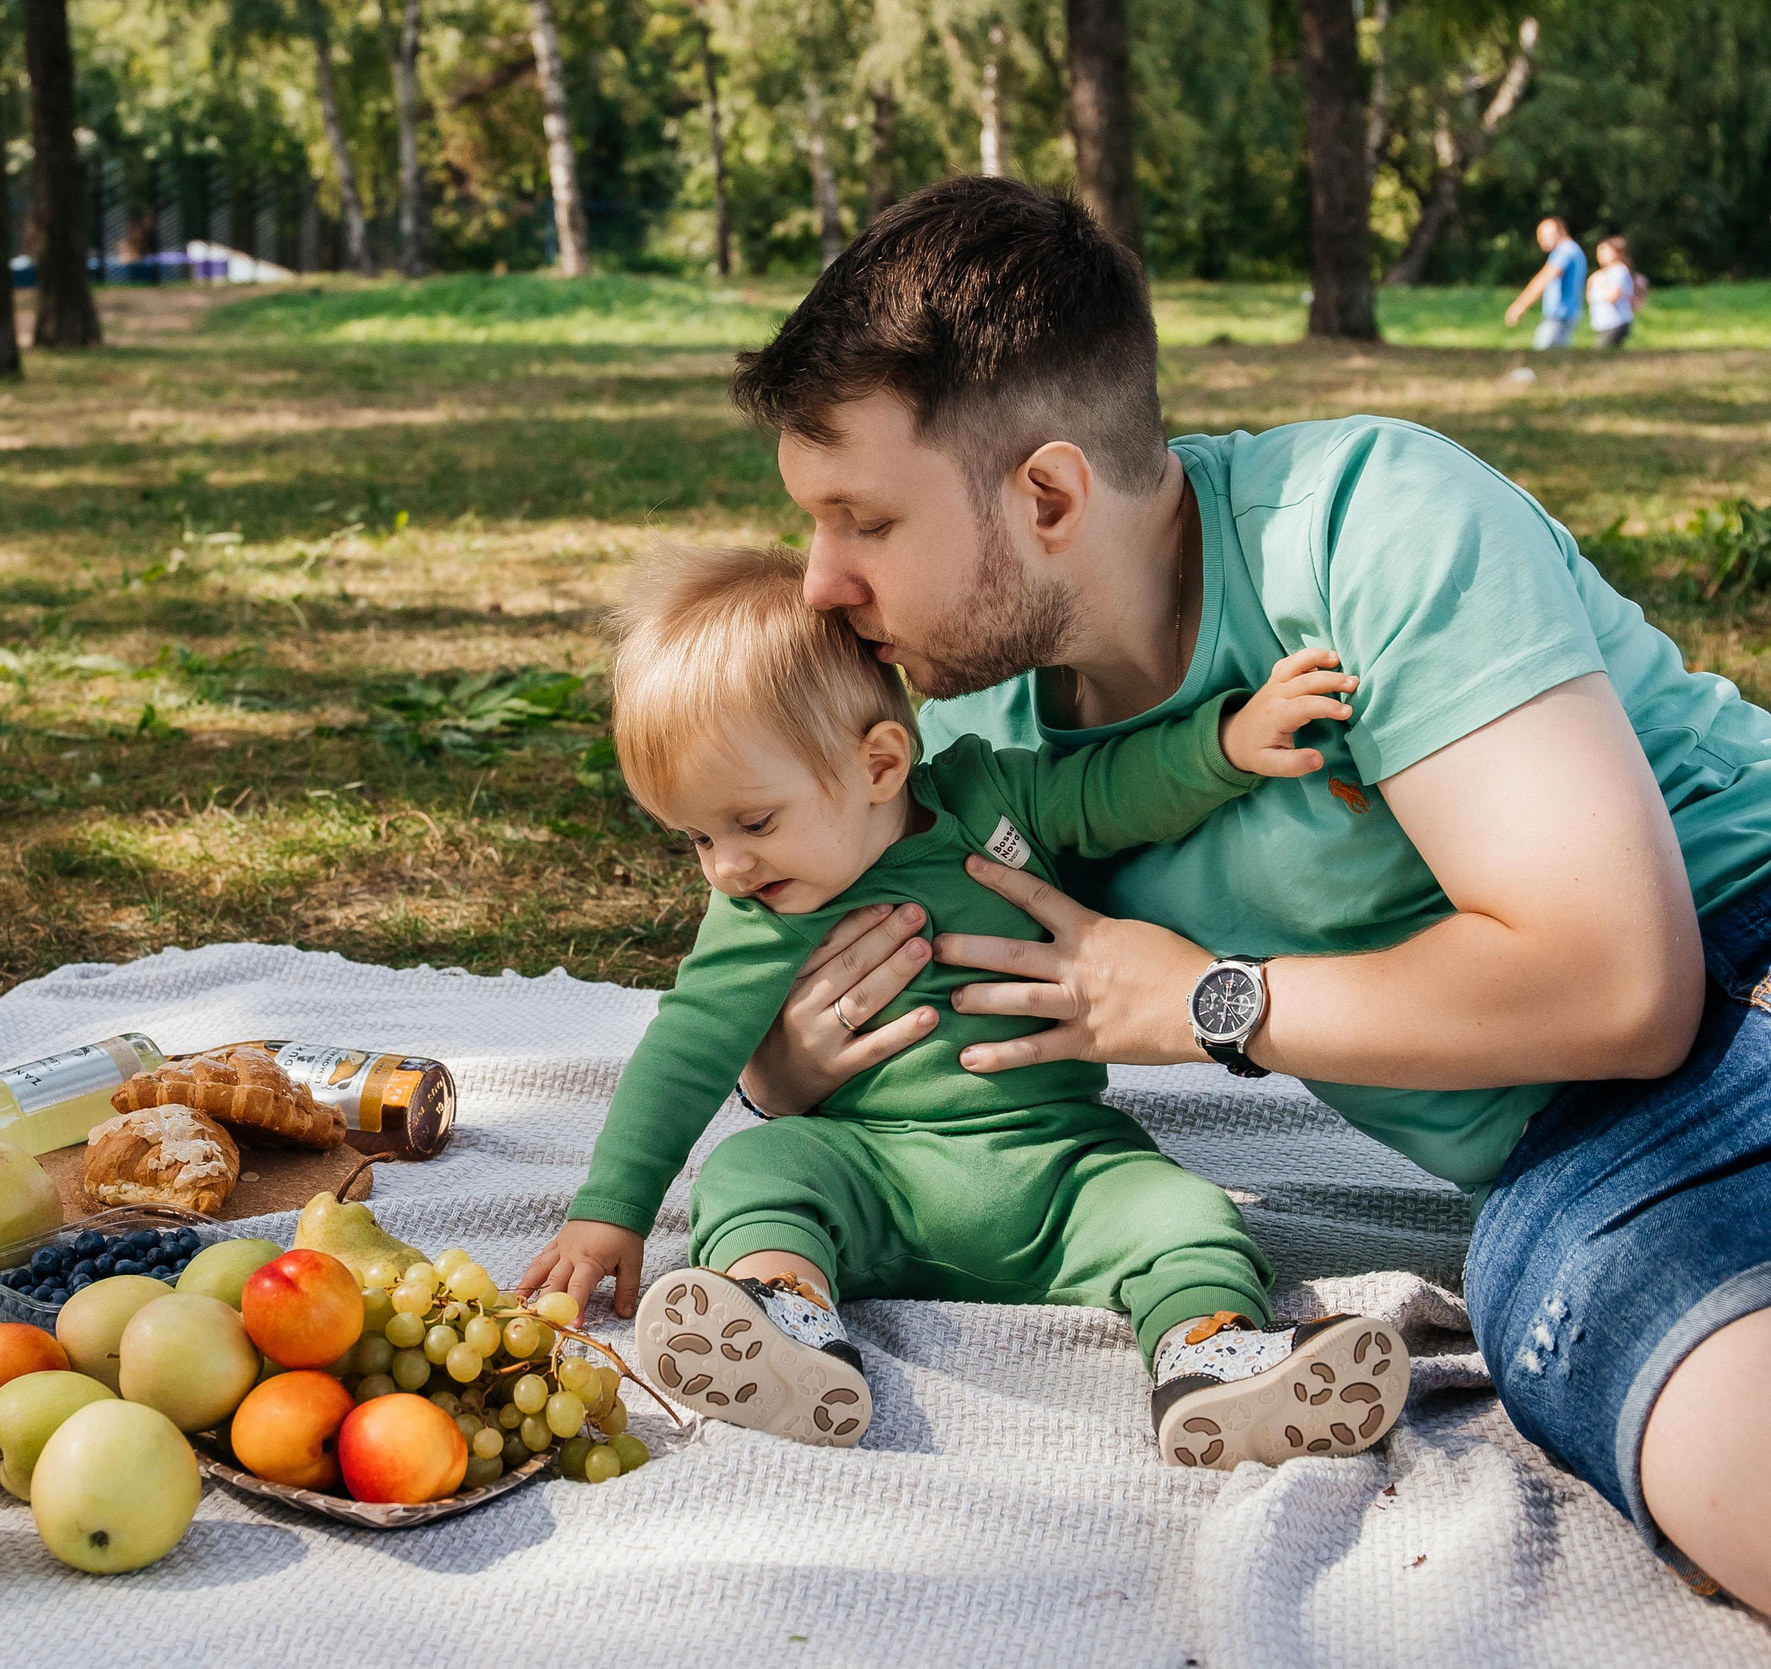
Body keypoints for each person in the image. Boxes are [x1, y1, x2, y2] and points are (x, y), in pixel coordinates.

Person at [722, 177, 1771, 1641]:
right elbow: (802, 1021)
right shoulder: (976, 752)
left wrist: (1209, 998)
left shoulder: (1363, 522)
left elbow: (1620, 980)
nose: (820, 581)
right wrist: (794, 1058)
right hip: (1600, 1150)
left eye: (861, 518)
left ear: (1051, 496)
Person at [519, 544, 1411, 1465]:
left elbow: (1112, 791)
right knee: (758, 1168)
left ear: (880, 764)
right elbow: (686, 1049)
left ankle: (1209, 1359)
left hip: (1060, 1169)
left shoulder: (994, 798)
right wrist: (612, 1208)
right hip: (872, 1175)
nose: (728, 867)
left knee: (1182, 1212)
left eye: (752, 822)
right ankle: (781, 1317)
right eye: (697, 837)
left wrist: (1223, 745)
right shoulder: (758, 911)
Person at [1504, 216, 1587, 348]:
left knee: (1543, 356)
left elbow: (1544, 278)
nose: (1540, 240)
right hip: (1568, 314)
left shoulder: (1565, 251)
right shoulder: (1573, 250)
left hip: (1560, 316)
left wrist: (1520, 305)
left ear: (1560, 231)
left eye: (1544, 235)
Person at [1586, 237, 1641, 349]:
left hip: (1615, 322)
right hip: (1602, 322)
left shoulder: (1619, 271)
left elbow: (1613, 296)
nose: (1600, 255)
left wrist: (1602, 282)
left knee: (1603, 354)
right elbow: (1590, 299)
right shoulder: (1603, 273)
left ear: (1616, 252)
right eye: (1599, 252)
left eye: (1605, 251)